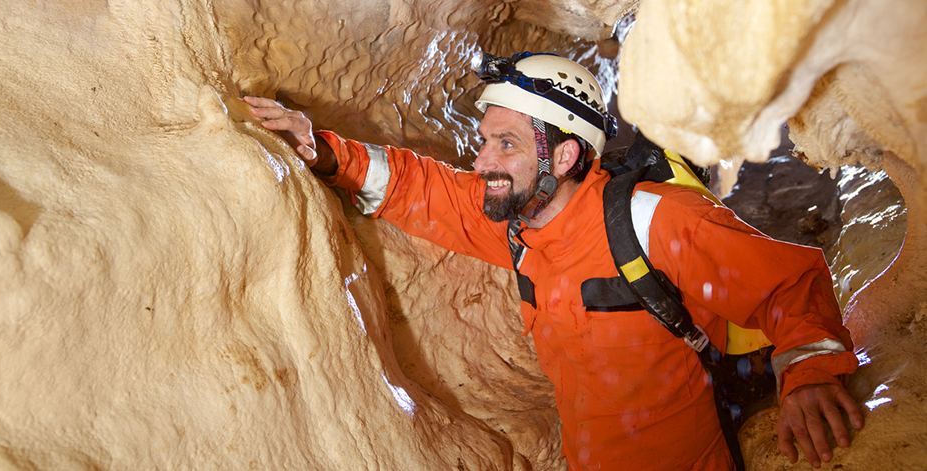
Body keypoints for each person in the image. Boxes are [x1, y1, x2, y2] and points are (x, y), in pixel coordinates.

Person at [244, 51, 864, 471]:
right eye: (485, 140)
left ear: (564, 158)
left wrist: (808, 377)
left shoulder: (654, 222)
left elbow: (789, 281)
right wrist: (319, 149)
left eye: (506, 144)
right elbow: (419, 187)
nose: (483, 161)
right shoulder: (519, 227)